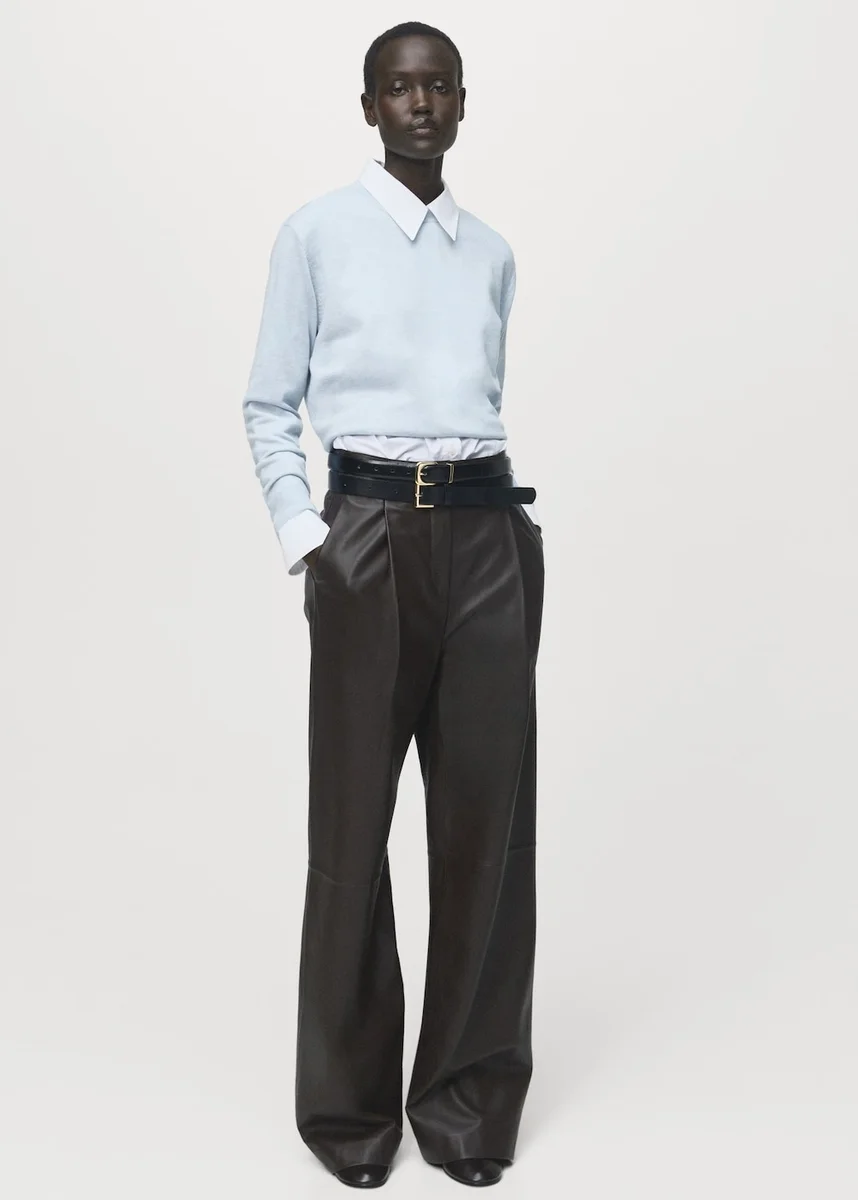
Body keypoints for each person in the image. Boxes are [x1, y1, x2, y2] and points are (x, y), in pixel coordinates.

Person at [242, 20, 545, 1190]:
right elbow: (268, 402)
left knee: (486, 831)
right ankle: (348, 1110)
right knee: (351, 831)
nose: (421, 104)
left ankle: (466, 1103)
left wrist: (505, 541)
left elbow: (477, 398)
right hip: (366, 534)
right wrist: (308, 540)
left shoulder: (493, 252)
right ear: (368, 106)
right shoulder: (316, 234)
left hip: (486, 535)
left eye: (439, 86)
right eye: (399, 88)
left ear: (463, 102)